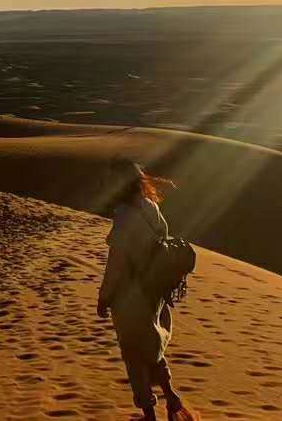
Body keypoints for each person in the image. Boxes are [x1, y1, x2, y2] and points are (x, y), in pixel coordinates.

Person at [98, 159, 197, 420]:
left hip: (131, 298)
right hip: (153, 292)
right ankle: (172, 400)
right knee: (152, 349)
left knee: (134, 356)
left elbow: (116, 265)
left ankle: (150, 415)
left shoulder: (124, 219)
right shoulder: (149, 207)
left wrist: (104, 298)